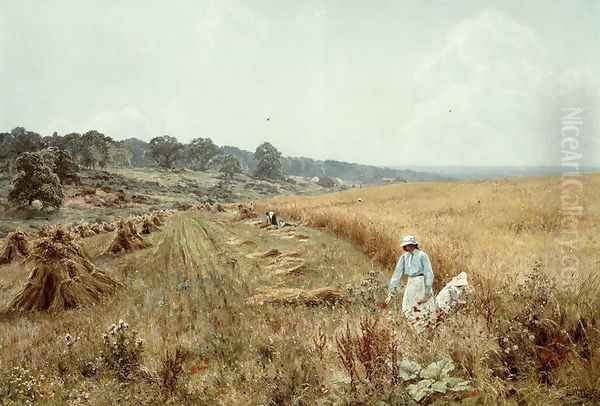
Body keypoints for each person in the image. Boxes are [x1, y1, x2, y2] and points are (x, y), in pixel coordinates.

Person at [385, 235, 436, 320]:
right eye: (407, 245)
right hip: (411, 283)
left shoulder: (422, 255)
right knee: (408, 308)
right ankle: (414, 328)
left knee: (424, 308)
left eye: (410, 245)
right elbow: (396, 275)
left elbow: (429, 273)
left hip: (421, 282)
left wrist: (427, 291)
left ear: (414, 245)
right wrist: (391, 292)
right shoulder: (404, 257)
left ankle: (426, 327)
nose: (408, 247)